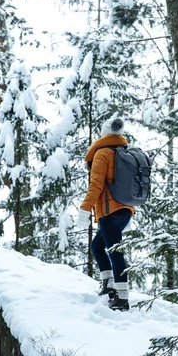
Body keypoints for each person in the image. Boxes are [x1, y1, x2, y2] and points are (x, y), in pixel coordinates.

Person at [77, 117, 134, 311]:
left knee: (115, 251)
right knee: (98, 246)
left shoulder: (102, 153)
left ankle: (122, 298)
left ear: (103, 133)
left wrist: (85, 208)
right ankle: (109, 285)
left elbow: (96, 185)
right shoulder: (123, 151)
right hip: (126, 209)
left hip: (110, 211)